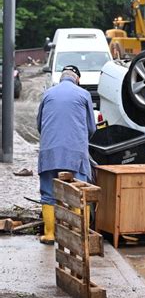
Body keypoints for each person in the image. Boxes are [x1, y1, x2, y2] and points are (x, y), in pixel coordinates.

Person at [36, 65, 96, 244]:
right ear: (77, 79)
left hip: (49, 152)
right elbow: (91, 127)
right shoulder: (83, 94)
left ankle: (49, 234)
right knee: (79, 192)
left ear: (61, 78)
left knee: (48, 193)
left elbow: (40, 124)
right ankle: (77, 234)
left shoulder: (47, 94)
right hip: (75, 153)